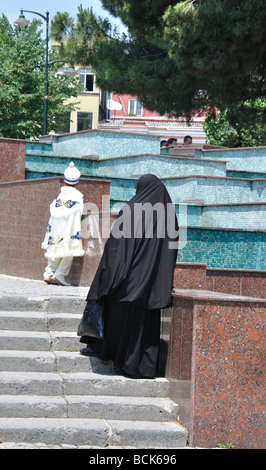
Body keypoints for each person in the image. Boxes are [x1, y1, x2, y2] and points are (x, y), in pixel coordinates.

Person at [79, 174, 179, 378]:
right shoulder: (170, 217)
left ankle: (109, 354)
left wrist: (107, 279)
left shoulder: (133, 210)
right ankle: (140, 367)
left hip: (127, 283)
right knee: (143, 329)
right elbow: (170, 254)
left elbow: (117, 249)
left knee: (118, 320)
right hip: (151, 287)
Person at [42, 162, 84, 286]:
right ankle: (60, 275)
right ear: (78, 182)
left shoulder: (60, 195)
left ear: (64, 181)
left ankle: (48, 273)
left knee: (54, 246)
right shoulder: (77, 196)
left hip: (56, 227)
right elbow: (78, 213)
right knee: (69, 250)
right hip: (69, 228)